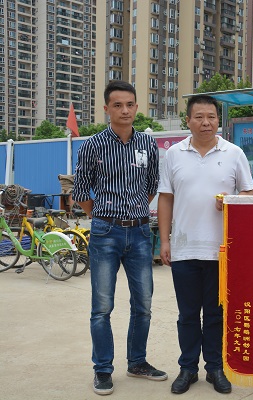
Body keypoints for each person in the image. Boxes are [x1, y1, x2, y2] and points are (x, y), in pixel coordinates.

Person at [72, 80, 166, 396]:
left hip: (140, 233)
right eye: (117, 105)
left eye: (129, 105)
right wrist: (103, 216)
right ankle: (102, 369)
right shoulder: (93, 145)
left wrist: (134, 212)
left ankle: (137, 362)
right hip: (105, 233)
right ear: (106, 109)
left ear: (136, 107)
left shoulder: (147, 144)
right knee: (102, 306)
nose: (124, 110)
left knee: (144, 303)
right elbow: (80, 191)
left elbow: (151, 185)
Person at [157, 94, 253, 395]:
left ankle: (215, 367)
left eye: (211, 117)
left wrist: (231, 202)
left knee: (215, 314)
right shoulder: (173, 154)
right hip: (184, 248)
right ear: (188, 120)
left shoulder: (234, 153)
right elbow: (166, 198)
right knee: (187, 315)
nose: (206, 122)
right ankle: (188, 368)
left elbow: (250, 195)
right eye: (199, 117)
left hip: (222, 251)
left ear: (218, 121)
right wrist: (164, 240)